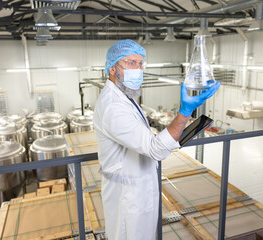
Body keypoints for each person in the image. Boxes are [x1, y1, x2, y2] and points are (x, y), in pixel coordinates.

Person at [93, 39, 220, 240]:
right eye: (130, 63)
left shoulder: (126, 97)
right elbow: (156, 150)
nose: (138, 68)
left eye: (141, 63)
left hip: (138, 188)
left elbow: (142, 139)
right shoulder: (113, 107)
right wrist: (184, 112)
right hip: (127, 196)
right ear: (112, 69)